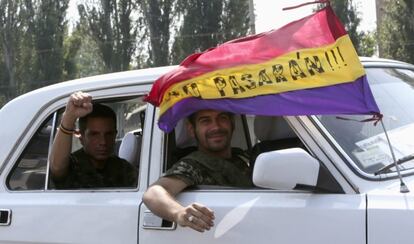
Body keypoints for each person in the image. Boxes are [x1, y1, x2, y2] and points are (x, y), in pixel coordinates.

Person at [143, 109, 253, 232]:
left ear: (232, 124)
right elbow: (153, 192)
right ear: (191, 129)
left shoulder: (243, 158)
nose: (216, 126)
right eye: (205, 121)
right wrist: (179, 213)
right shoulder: (193, 165)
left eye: (222, 118)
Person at [49, 91, 137, 189]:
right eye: (94, 134)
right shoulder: (73, 165)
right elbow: (57, 168)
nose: (103, 142)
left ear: (115, 135)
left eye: (108, 134)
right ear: (81, 136)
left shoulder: (123, 169)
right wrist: (69, 118)